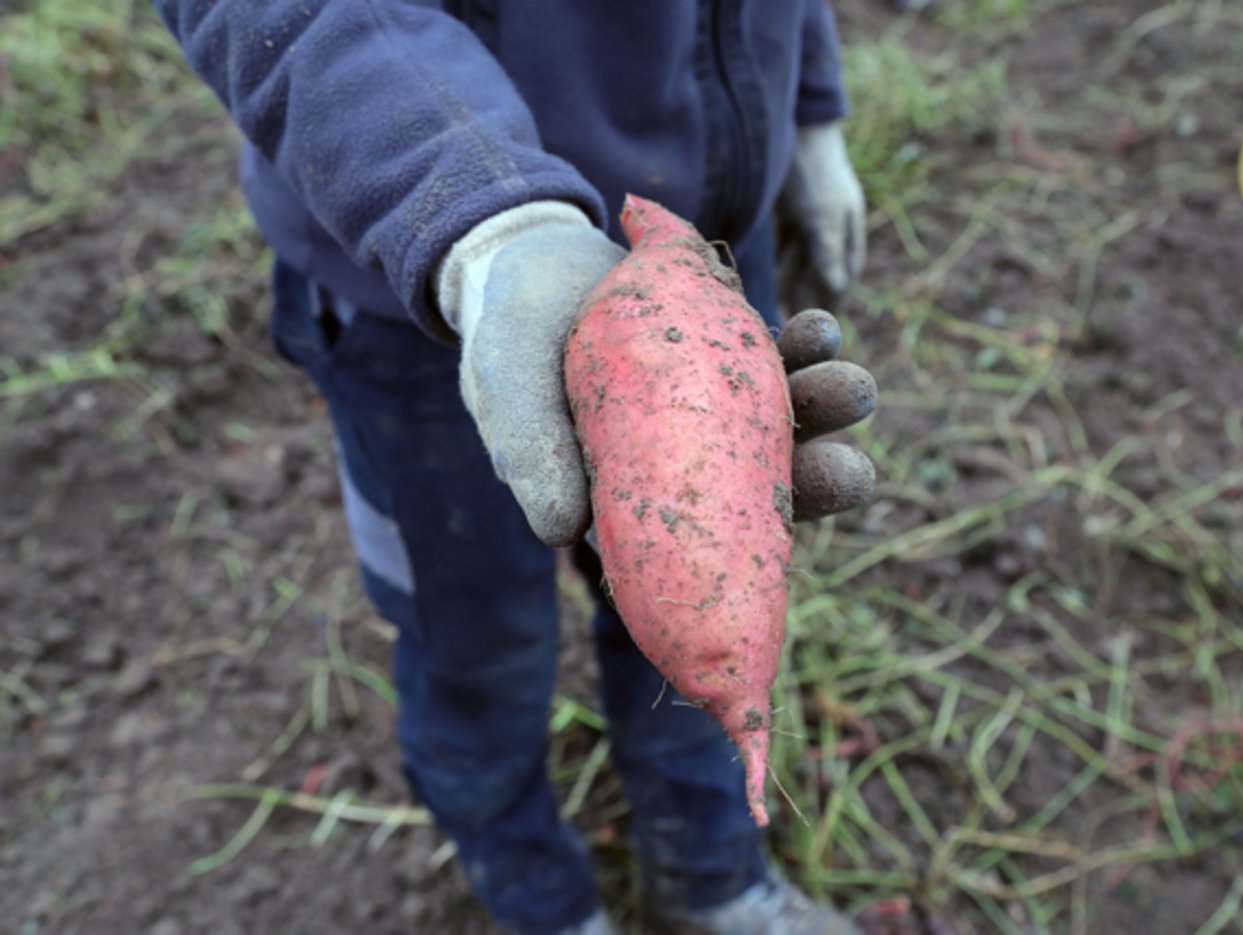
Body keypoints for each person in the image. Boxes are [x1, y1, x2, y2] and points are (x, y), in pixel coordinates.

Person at [155, 3, 878, 932]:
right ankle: (539, 900)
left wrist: (811, 104)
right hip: (421, 269)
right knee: (473, 642)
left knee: (706, 592)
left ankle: (712, 871)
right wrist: (481, 215)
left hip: (702, 273)